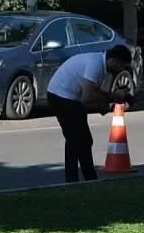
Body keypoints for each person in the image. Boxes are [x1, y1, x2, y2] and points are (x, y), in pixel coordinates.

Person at [46, 49, 132, 183]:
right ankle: (84, 178)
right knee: (79, 140)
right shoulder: (96, 65)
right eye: (122, 66)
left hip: (67, 97)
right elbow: (86, 98)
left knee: (77, 140)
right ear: (113, 61)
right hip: (62, 96)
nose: (122, 70)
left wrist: (106, 102)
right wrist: (110, 98)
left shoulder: (102, 66)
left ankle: (78, 179)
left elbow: (94, 93)